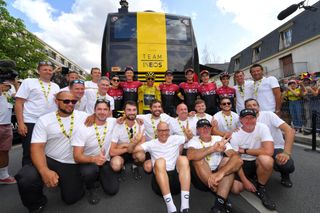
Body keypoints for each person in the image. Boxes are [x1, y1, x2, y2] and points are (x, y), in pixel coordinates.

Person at [15, 91, 88, 212]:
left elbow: (102, 118)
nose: (70, 104)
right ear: (56, 102)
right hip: (50, 159)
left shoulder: (84, 116)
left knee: (71, 198)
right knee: (26, 177)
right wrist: (44, 171)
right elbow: (36, 148)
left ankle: (66, 182)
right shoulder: (44, 120)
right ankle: (36, 204)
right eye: (66, 101)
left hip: (70, 163)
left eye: (73, 101)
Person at [134, 122, 191, 213]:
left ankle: (185, 206)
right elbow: (133, 150)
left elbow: (187, 139)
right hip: (159, 183)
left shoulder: (175, 138)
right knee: (160, 161)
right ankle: (171, 207)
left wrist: (189, 135)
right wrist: (135, 142)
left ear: (169, 131)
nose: (163, 133)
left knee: (183, 159)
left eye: (165, 130)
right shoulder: (151, 143)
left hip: (176, 182)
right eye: (160, 130)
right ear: (156, 132)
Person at [187, 119, 243, 213]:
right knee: (197, 160)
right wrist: (213, 149)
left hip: (219, 173)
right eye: (202, 127)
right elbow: (190, 155)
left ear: (211, 128)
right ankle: (223, 199)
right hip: (202, 176)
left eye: (207, 127)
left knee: (238, 187)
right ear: (197, 130)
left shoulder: (218, 138)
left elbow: (237, 159)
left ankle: (218, 207)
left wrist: (221, 173)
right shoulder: (194, 140)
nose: (205, 129)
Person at [72, 99, 118, 204]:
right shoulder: (83, 128)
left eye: (105, 109)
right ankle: (90, 187)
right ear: (94, 110)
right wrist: (94, 159)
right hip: (88, 161)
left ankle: (98, 178)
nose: (102, 112)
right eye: (99, 109)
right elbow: (77, 156)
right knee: (89, 172)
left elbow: (128, 117)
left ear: (109, 111)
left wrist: (138, 120)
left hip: (104, 161)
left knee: (112, 190)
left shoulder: (112, 122)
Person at [15, 61, 60, 165]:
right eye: (45, 69)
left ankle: (43, 175)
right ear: (38, 71)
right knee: (29, 151)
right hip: (31, 122)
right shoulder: (29, 82)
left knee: (47, 151)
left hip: (49, 123)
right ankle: (27, 178)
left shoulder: (56, 86)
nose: (48, 72)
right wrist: (21, 123)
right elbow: (18, 103)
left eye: (50, 70)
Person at [231, 109, 276, 210]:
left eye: (252, 118)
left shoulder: (263, 127)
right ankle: (251, 178)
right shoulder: (235, 135)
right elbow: (235, 160)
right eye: (246, 118)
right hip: (242, 163)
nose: (249, 120)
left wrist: (245, 150)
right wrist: (245, 181)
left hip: (256, 160)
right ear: (240, 120)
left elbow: (269, 151)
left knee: (267, 160)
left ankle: (261, 187)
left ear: (256, 119)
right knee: (236, 189)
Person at [245, 98, 295, 187]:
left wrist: (286, 153)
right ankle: (259, 173)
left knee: (287, 165)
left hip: (275, 147)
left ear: (258, 107)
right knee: (247, 171)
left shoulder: (269, 115)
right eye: (249, 106)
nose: (252, 107)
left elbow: (289, 131)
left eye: (254, 105)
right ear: (245, 109)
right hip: (258, 150)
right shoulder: (244, 120)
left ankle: (285, 174)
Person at [109, 101, 146, 180]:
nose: (132, 112)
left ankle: (135, 166)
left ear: (137, 111)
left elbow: (142, 146)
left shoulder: (141, 124)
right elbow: (112, 152)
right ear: (124, 111)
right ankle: (122, 167)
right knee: (116, 165)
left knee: (141, 156)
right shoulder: (118, 125)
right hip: (121, 153)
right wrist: (128, 147)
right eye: (129, 110)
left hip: (134, 151)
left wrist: (123, 145)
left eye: (134, 110)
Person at [0, 81, 16, 184]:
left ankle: (3, 176)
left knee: (4, 150)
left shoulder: (11, 89)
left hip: (7, 124)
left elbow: (20, 97)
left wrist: (15, 83)